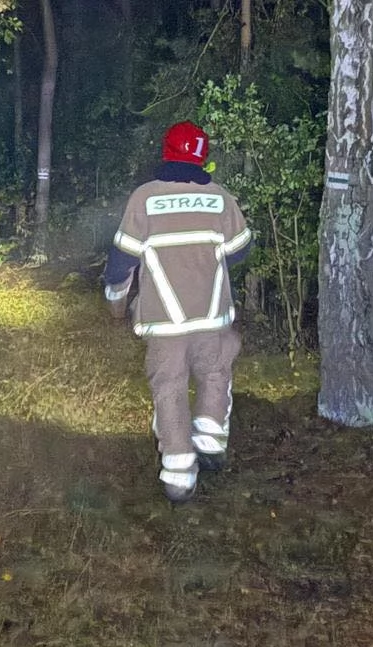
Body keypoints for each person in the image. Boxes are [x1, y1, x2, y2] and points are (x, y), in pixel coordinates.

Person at [103, 121, 252, 503]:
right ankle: (210, 439)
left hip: (164, 321)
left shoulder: (144, 199)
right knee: (215, 372)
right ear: (203, 157)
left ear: (166, 152)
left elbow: (123, 260)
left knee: (169, 387)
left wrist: (115, 296)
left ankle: (179, 475)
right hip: (212, 315)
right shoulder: (221, 198)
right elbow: (240, 251)